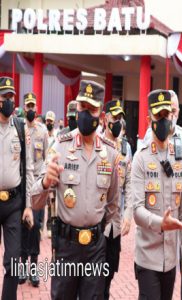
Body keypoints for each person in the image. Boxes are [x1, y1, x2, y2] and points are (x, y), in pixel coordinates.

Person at [31, 80, 120, 299]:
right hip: (66, 247)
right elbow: (34, 201)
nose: (86, 114)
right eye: (82, 108)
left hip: (95, 249)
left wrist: (106, 240)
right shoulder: (60, 147)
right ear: (76, 108)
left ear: (101, 115)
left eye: (92, 109)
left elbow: (113, 204)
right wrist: (45, 183)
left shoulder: (110, 154)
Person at [132, 89, 182, 300]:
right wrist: (161, 223)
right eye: (158, 116)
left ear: (173, 117)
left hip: (170, 260)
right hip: (147, 258)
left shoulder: (180, 160)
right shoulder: (140, 159)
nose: (163, 120)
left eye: (166, 115)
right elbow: (137, 211)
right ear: (149, 118)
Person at [0, 76, 34, 299]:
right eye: (5, 97)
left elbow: (28, 168)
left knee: (13, 261)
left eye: (12, 97)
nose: (10, 101)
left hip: (14, 203)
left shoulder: (20, 128)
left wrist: (29, 206)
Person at [103, 100, 132, 300]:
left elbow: (129, 184)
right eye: (114, 118)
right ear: (105, 119)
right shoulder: (96, 144)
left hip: (114, 223)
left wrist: (128, 214)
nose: (118, 123)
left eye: (120, 119)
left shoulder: (125, 149)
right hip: (95, 223)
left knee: (110, 270)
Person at [19, 92, 49, 287]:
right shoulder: (18, 128)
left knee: (36, 227)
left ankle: (34, 269)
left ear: (37, 107)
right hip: (22, 184)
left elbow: (45, 157)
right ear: (24, 107)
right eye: (27, 106)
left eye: (33, 106)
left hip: (37, 186)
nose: (30, 109)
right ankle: (22, 268)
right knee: (23, 226)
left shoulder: (42, 131)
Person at [45, 110, 56, 238]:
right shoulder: (43, 135)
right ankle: (40, 226)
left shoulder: (57, 137)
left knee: (51, 201)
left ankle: (49, 226)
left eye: (51, 122)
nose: (49, 123)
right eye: (47, 121)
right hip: (43, 171)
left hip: (52, 171)